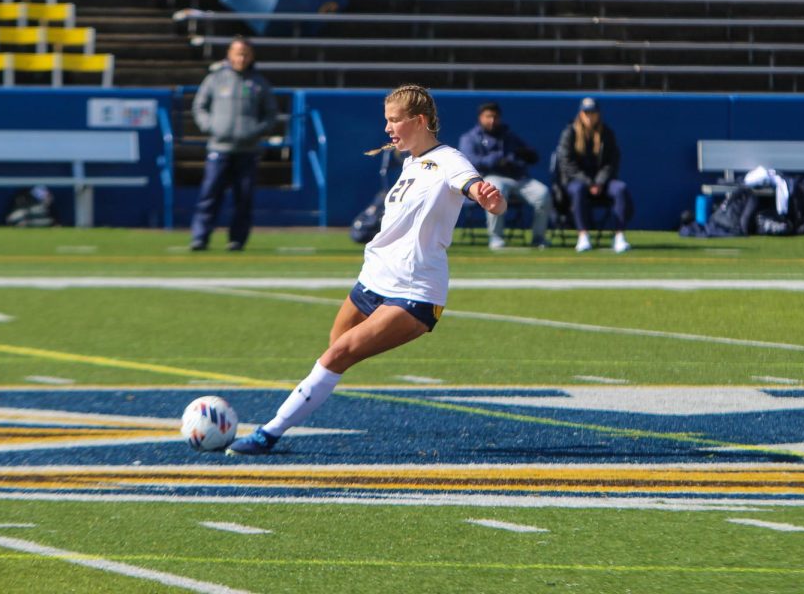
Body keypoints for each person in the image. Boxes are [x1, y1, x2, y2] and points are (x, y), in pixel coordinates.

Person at [225, 84, 506, 456]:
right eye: (386, 120)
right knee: (334, 353)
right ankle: (298, 413)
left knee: (337, 355)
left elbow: (474, 188)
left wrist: (490, 200)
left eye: (394, 121)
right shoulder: (409, 162)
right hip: (372, 279)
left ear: (419, 121)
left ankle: (269, 433)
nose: (388, 129)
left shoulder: (449, 160)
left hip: (414, 291)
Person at [189, 37, 279, 252]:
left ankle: (237, 240)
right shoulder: (215, 79)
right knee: (209, 194)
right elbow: (199, 107)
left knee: (244, 198)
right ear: (229, 54)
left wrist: (255, 131)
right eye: (238, 53)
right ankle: (200, 237)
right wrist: (211, 126)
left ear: (251, 56)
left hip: (248, 150)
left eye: (246, 53)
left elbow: (271, 114)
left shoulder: (259, 83)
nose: (241, 58)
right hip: (219, 148)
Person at [457, 101, 551, 250]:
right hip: (489, 177)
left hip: (517, 178)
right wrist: (495, 160)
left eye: (495, 117)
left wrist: (525, 155)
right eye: (488, 116)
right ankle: (496, 237)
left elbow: (528, 154)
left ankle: (538, 237)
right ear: (480, 117)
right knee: (495, 189)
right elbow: (469, 161)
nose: (492, 120)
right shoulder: (470, 138)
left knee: (543, 193)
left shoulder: (508, 136)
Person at [555, 97, 633, 254]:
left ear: (598, 114)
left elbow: (612, 162)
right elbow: (566, 163)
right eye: (586, 113)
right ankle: (583, 236)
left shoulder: (607, 133)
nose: (590, 116)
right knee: (578, 190)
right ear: (581, 114)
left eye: (593, 113)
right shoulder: (570, 133)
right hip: (577, 181)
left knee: (620, 189)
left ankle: (619, 236)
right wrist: (588, 182)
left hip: (602, 183)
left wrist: (599, 182)